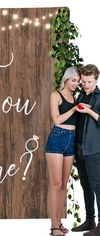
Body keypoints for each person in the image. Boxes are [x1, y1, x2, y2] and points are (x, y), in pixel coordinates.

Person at [45, 67, 80, 236]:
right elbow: (56, 120)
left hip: (71, 139)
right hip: (57, 139)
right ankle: (53, 226)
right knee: (56, 184)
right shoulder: (55, 95)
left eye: (78, 82)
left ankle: (59, 222)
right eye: (74, 80)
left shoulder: (75, 98)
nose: (76, 84)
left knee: (64, 186)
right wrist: (74, 109)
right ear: (67, 79)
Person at [71, 64, 100, 236]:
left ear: (96, 80)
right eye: (83, 81)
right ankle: (90, 220)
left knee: (98, 186)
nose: (86, 85)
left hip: (94, 148)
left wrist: (90, 113)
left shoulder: (99, 97)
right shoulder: (81, 95)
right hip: (79, 147)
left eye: (89, 81)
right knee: (85, 185)